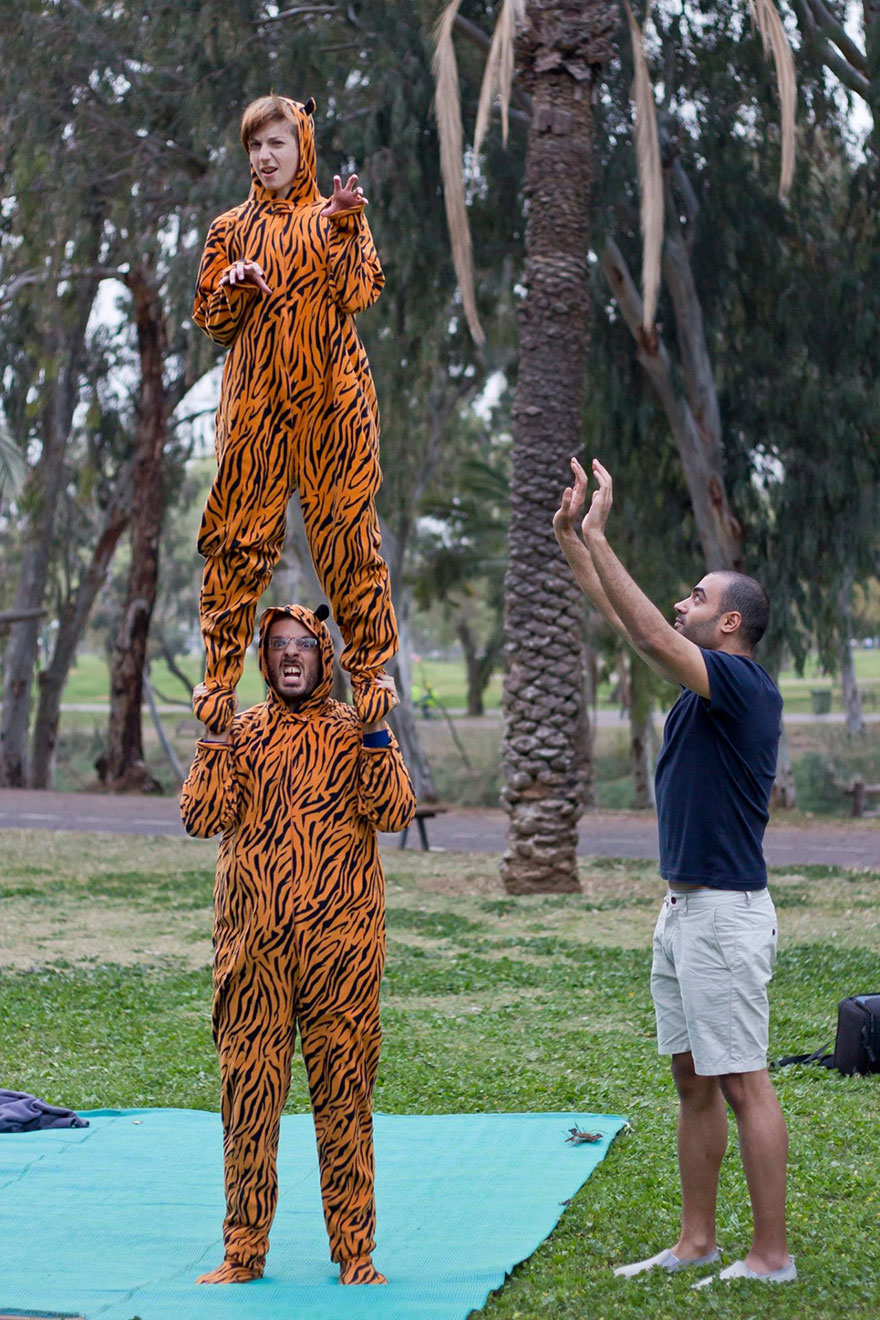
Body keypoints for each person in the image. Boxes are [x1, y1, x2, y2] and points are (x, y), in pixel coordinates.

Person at [553, 456, 796, 1287]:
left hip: (726, 916)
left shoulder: (744, 688)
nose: (684, 602)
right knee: (695, 1083)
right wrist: (574, 544)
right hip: (684, 913)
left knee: (744, 1086)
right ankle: (696, 1241)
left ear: (731, 624)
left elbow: (653, 630)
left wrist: (600, 534)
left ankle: (771, 1257)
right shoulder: (703, 688)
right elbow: (634, 624)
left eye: (698, 595)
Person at [180, 603, 416, 1286]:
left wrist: (376, 731)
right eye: (279, 646)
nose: (291, 656)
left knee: (345, 1100)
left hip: (341, 954)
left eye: (303, 646)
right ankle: (243, 1251)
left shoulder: (354, 730)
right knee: (248, 1099)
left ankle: (355, 1251)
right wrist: (214, 738)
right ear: (263, 658)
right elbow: (201, 816)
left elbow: (395, 812)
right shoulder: (241, 730)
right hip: (253, 957)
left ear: (324, 658)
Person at [191, 94, 397, 737]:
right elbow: (211, 322)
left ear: (301, 147)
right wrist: (231, 284)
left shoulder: (339, 213)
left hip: (335, 405)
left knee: (347, 540)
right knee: (237, 541)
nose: (264, 156)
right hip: (255, 409)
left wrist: (337, 223)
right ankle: (219, 687)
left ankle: (369, 682)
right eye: (255, 145)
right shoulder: (229, 228)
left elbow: (360, 290)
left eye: (276, 142)